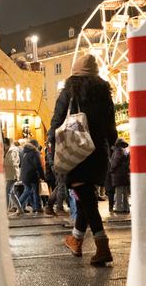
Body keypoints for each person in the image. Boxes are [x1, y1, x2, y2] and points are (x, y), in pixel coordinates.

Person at [48, 54, 117, 266]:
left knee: (85, 198)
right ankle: (76, 240)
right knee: (85, 196)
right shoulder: (105, 93)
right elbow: (111, 129)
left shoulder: (70, 91)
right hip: (99, 151)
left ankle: (102, 244)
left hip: (76, 148)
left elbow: (57, 120)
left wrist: (52, 141)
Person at [17, 139, 43, 214]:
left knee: (28, 191)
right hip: (32, 176)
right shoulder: (35, 152)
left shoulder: (25, 152)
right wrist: (42, 176)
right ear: (35, 145)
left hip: (25, 176)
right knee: (34, 192)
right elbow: (38, 165)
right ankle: (37, 208)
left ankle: (20, 206)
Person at [108, 139, 130, 213]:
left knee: (119, 192)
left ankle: (119, 208)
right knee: (124, 192)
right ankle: (126, 208)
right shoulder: (125, 150)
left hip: (118, 174)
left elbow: (115, 163)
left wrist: (110, 170)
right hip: (124, 174)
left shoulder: (118, 151)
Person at [3, 138, 21, 216]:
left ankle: (5, 212)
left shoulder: (12, 151)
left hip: (12, 174)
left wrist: (2, 162)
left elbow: (12, 162)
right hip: (8, 174)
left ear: (6, 144)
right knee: (12, 193)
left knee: (7, 193)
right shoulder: (7, 151)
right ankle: (20, 209)